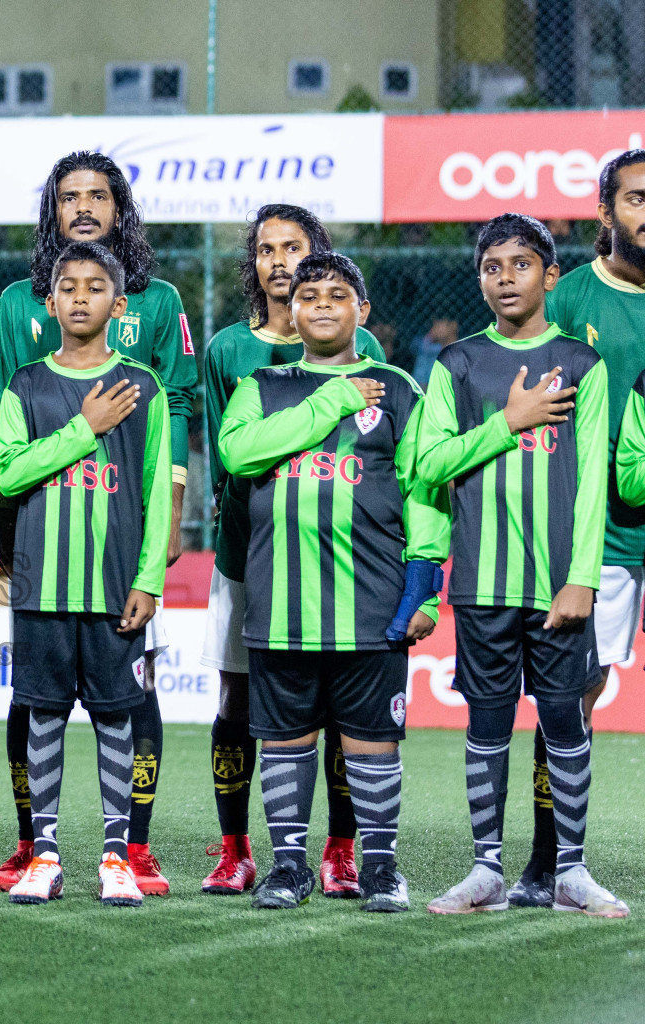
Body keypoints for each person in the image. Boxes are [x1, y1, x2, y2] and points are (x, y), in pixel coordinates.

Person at [0, 150, 195, 896]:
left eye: (96, 196)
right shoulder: (26, 368)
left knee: (123, 706)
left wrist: (153, 562)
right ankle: (37, 848)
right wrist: (81, 427)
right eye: (67, 196)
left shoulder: (149, 366)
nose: (82, 207)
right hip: (39, 568)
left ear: (120, 302)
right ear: (49, 301)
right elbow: (3, 462)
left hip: (117, 577)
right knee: (36, 706)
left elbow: (164, 446)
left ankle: (122, 851)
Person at [217, 253, 444, 913]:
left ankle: (380, 868)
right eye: (308, 295)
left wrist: (423, 586)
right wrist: (335, 400)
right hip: (280, 604)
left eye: (337, 295)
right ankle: (288, 867)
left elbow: (424, 492)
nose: (320, 305)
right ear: (291, 311)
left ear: (361, 312)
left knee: (372, 742)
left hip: (370, 605)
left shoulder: (398, 387)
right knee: (284, 741)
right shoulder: (263, 383)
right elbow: (238, 453)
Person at [417, 213, 626, 918]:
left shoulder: (583, 364)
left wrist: (584, 577)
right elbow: (427, 463)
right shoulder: (459, 364)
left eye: (521, 265)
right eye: (492, 267)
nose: (506, 278)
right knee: (487, 722)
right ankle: (485, 870)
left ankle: (570, 870)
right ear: (479, 278)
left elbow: (594, 476)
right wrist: (507, 422)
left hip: (558, 585)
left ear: (551, 275)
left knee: (566, 720)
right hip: (482, 581)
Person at [199, 205, 386, 898]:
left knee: (339, 710)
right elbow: (228, 459)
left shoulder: (363, 350)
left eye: (293, 247)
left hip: (338, 562)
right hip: (247, 554)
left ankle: (339, 850)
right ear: (253, 264)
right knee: (237, 699)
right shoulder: (228, 352)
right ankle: (235, 849)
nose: (278, 260)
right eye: (266, 249)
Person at [513, 149, 645, 908]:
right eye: (635, 199)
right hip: (601, 537)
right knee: (574, 696)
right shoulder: (568, 304)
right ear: (605, 214)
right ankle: (548, 862)